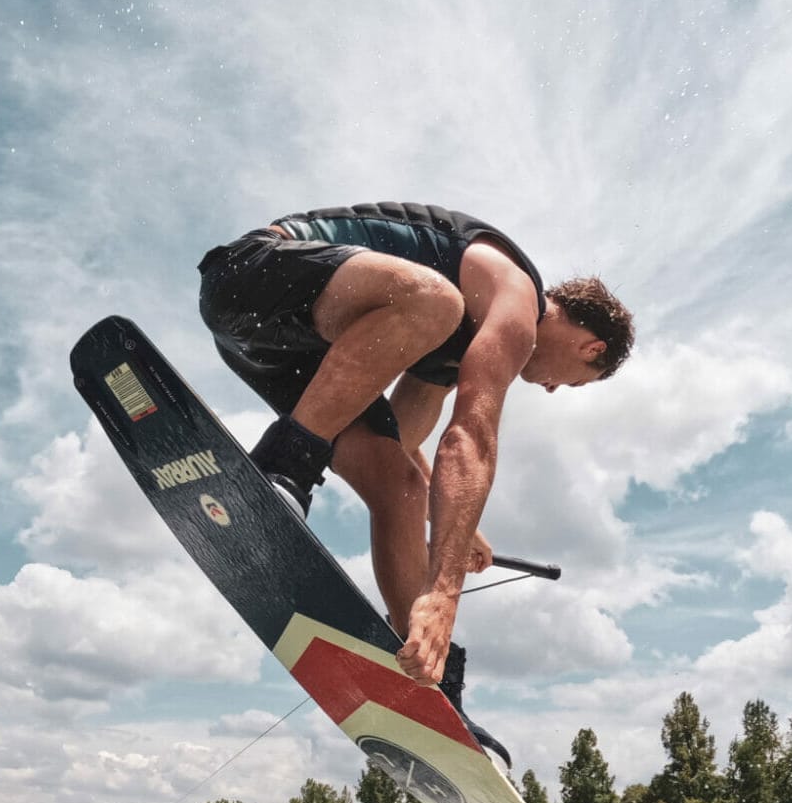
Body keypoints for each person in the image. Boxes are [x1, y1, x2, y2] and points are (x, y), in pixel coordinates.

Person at [198, 202, 634, 765]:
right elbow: (471, 436)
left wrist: (449, 518)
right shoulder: (516, 300)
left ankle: (428, 686)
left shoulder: (450, 353)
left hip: (288, 355)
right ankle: (283, 467)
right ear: (591, 348)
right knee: (434, 302)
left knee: (399, 487)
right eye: (573, 383)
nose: (552, 389)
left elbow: (405, 444)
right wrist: (444, 590)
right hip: (250, 278)